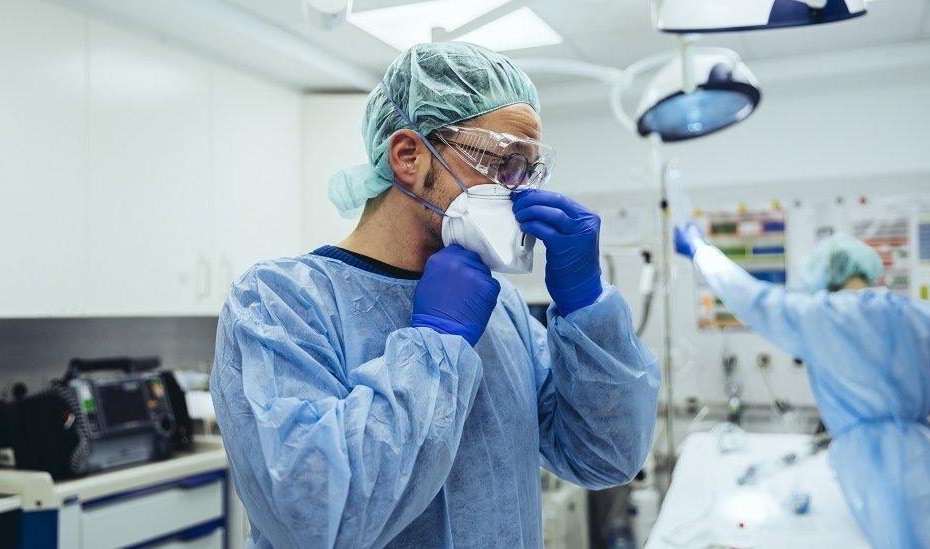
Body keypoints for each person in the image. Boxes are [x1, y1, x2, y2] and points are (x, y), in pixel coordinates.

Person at [210, 42, 661, 548]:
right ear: (408, 155)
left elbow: (605, 457)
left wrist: (586, 305)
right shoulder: (279, 303)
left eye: (529, 170)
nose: (517, 190)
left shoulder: (500, 308)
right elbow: (315, 519)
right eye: (503, 162)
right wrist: (437, 342)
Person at [674, 224, 930, 548]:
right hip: (924, 451)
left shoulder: (821, 315)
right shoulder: (912, 312)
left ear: (825, 275)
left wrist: (701, 250)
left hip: (874, 466)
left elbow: (750, 297)